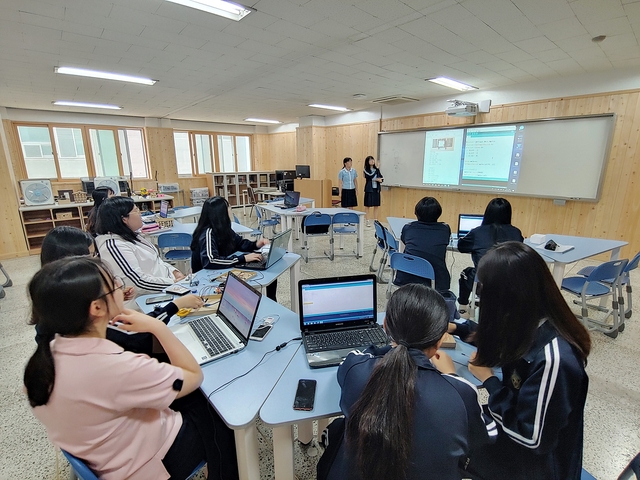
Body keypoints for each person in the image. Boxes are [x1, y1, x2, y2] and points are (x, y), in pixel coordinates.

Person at [24, 257, 238, 480]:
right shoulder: (116, 367)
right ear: (96, 307)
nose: (120, 286)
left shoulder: (47, 356)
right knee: (220, 416)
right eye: (114, 284)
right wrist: (157, 327)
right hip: (148, 462)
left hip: (109, 451)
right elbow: (194, 376)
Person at [318, 284, 495, 480]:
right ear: (440, 340)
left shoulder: (357, 371)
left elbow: (352, 358)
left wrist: (394, 350)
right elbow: (487, 434)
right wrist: (452, 376)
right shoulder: (461, 392)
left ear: (385, 326)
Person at [464, 242, 591, 480]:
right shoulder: (527, 322)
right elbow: (498, 337)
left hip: (534, 466)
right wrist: (459, 328)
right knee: (457, 419)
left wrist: (489, 381)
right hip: (514, 433)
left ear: (505, 299)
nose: (478, 296)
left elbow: (532, 438)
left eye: (482, 291)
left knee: (448, 440)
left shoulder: (555, 360)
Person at [39, 225, 204, 354]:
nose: (98, 259)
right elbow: (143, 333)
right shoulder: (99, 329)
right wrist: (175, 305)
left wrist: (112, 299)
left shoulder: (56, 305)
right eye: (93, 255)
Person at [95, 196, 186, 297]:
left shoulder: (132, 236)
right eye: (136, 210)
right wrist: (173, 283)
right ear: (124, 219)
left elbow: (157, 261)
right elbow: (138, 282)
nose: (140, 214)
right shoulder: (114, 246)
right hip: (148, 298)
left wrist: (175, 272)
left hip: (166, 288)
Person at [190, 196, 277, 300]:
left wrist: (256, 245)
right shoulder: (207, 233)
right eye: (228, 207)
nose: (230, 209)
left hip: (222, 270)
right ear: (221, 213)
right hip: (206, 280)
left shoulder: (223, 228)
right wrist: (242, 258)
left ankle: (272, 300)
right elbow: (210, 261)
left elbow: (239, 243)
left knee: (268, 271)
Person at [456, 197, 523, 318]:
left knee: (465, 273)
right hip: (510, 285)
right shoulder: (516, 233)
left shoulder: (477, 232)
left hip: (483, 284)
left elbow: (461, 247)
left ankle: (463, 307)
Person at [396, 196, 451, 292]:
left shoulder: (408, 228)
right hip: (435, 279)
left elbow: (404, 240)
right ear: (438, 213)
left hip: (407, 277)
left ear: (416, 213)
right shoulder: (445, 229)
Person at [363, 156, 383, 226]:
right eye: (370, 160)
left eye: (373, 159)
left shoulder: (376, 169)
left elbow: (381, 177)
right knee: (367, 206)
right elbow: (370, 176)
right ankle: (367, 220)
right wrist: (375, 178)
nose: (372, 161)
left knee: (376, 205)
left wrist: (380, 180)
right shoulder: (366, 170)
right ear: (367, 162)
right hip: (369, 189)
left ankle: (376, 220)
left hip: (376, 189)